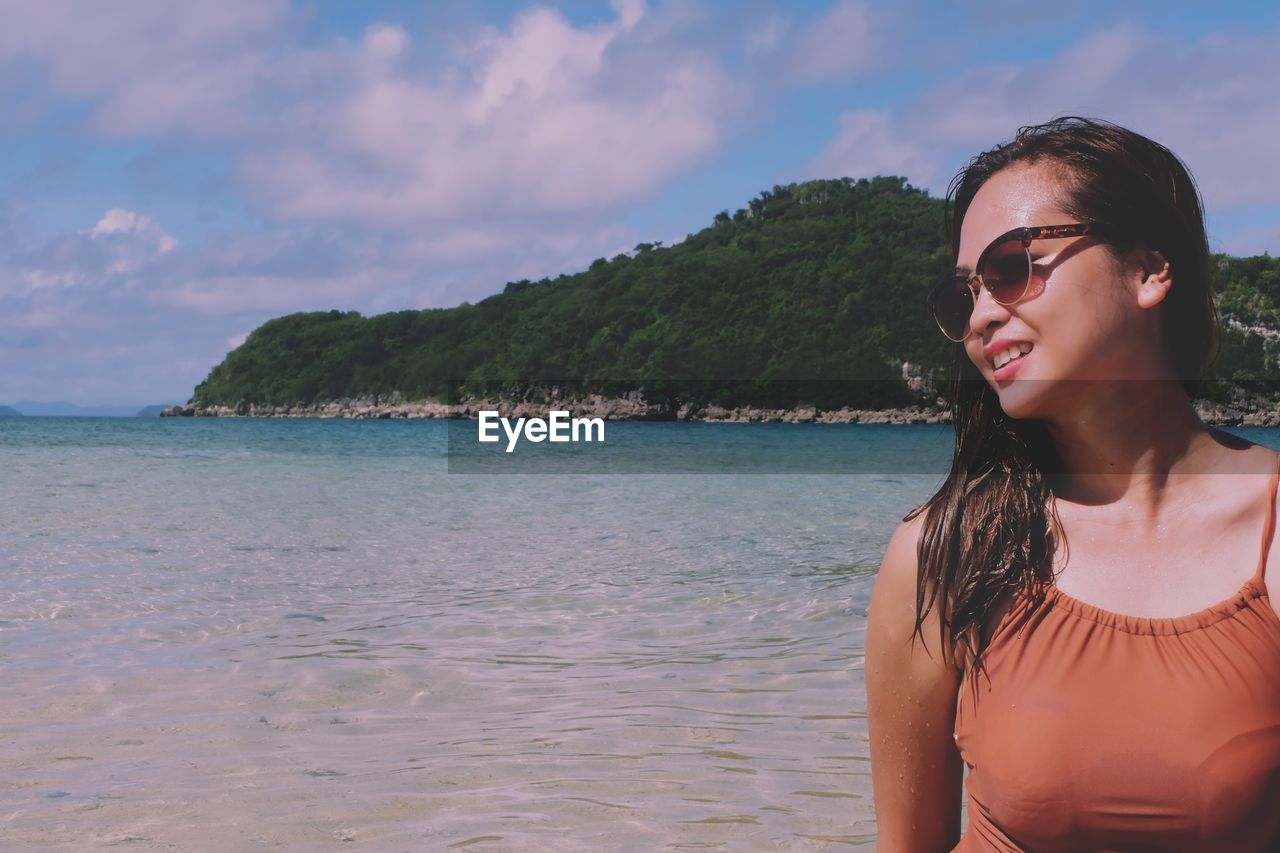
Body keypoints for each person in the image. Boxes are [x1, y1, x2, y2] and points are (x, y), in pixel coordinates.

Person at [865, 116, 1280, 851]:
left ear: (1149, 268)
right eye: (964, 295)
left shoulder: (1269, 531)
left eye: (1013, 265)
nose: (982, 314)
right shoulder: (946, 551)